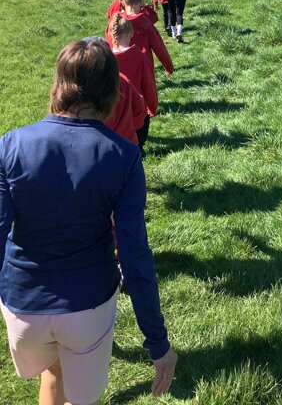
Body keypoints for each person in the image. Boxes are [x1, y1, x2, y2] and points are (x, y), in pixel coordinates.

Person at [0, 39, 177, 405]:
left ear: (58, 84)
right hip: (88, 305)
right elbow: (134, 256)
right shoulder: (124, 156)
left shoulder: (10, 145)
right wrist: (157, 342)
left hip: (23, 305)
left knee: (52, 372)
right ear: (112, 92)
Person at [109, 14, 159, 153]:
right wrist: (152, 106)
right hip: (137, 108)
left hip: (114, 108)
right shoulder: (139, 56)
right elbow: (148, 84)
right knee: (137, 140)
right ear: (131, 33)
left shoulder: (107, 59)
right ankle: (138, 151)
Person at [106, 0, 174, 77]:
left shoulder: (115, 21)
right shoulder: (145, 23)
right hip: (143, 66)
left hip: (120, 67)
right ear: (140, 3)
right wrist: (169, 67)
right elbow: (159, 46)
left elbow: (108, 43)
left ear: (123, 3)